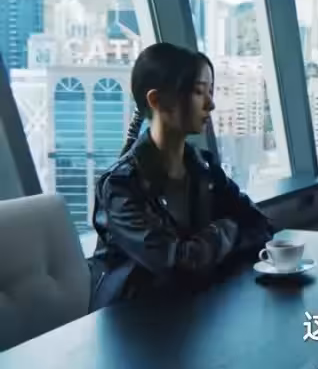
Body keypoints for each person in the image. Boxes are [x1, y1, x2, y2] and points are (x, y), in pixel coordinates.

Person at [88, 43, 274, 310]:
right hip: (133, 320)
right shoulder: (121, 186)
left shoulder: (203, 167)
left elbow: (260, 225)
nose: (210, 104)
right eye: (199, 92)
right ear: (156, 100)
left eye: (210, 92)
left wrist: (204, 247)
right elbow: (177, 265)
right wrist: (228, 228)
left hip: (191, 311)